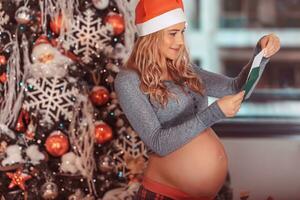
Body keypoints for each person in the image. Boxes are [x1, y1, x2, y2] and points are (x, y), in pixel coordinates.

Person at [114, 0, 280, 199]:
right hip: (165, 195)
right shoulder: (128, 81)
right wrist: (215, 112)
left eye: (182, 32)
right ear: (152, 35)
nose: (180, 42)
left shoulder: (185, 70)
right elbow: (159, 142)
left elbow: (236, 88)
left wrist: (261, 54)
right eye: (172, 33)